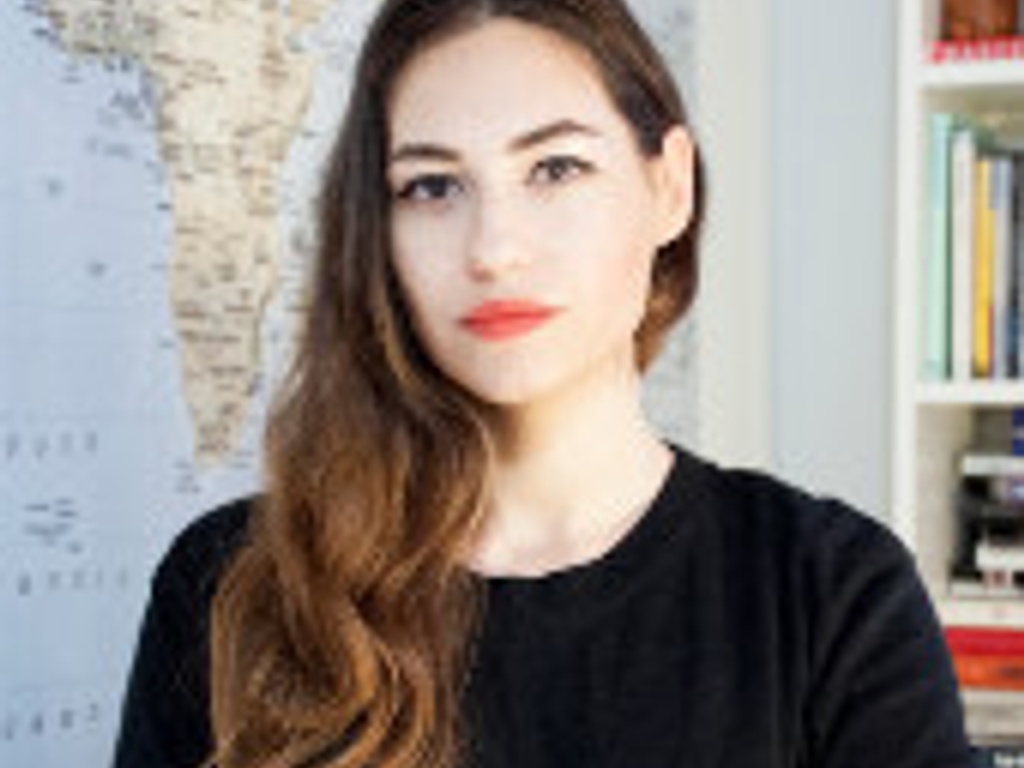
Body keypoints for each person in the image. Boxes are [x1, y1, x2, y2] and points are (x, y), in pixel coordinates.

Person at [112, 0, 973, 766]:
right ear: (378, 232)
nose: (494, 248)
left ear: (668, 185)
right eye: (432, 186)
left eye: (555, 169)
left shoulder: (830, 592)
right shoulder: (233, 584)